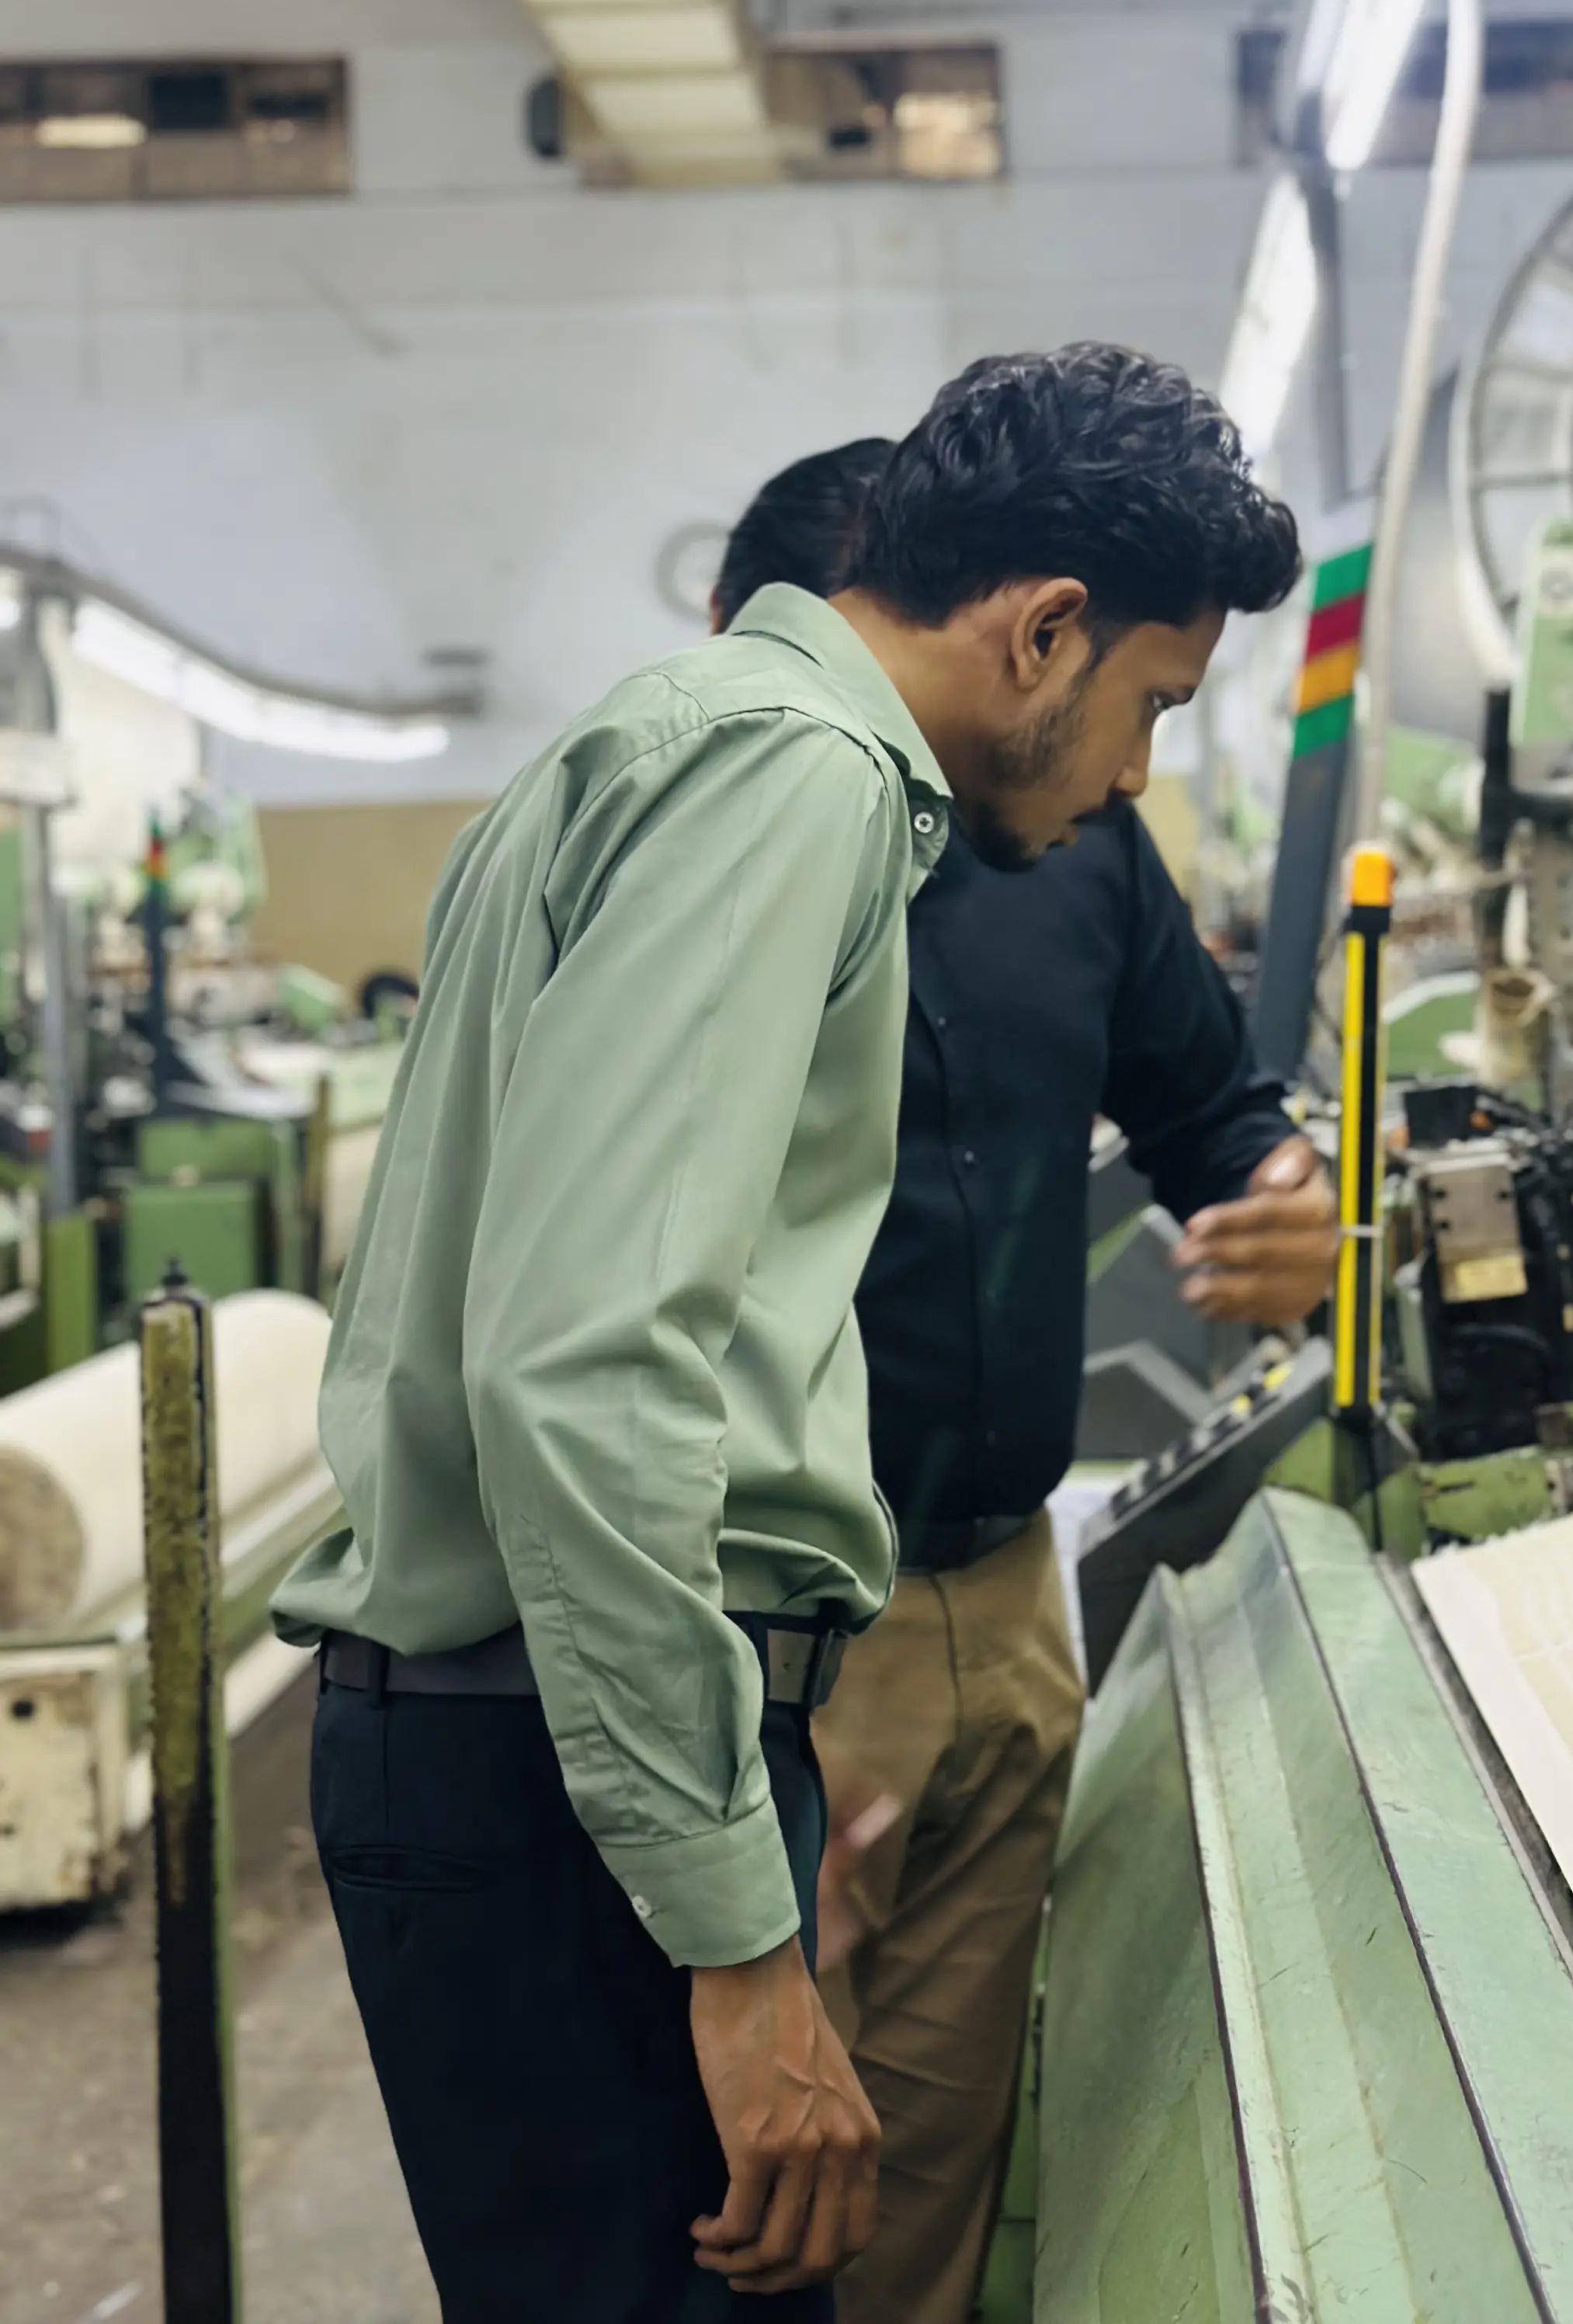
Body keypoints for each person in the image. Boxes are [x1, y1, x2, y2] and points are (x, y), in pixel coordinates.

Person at [275, 346, 1301, 2324]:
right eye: (1155, 706)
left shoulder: (674, 741)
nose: (1140, 778)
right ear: (1047, 631)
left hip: (545, 1726)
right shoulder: (797, 777)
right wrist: (740, 1951)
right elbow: (587, 1369)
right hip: (557, 1746)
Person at [710, 439, 1335, 2324]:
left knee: (924, 2192)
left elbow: (1221, 1114)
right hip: (786, 1639)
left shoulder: (1073, 848)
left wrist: (1299, 1204)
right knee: (737, 2191)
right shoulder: (731, 851)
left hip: (1009, 1594)